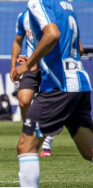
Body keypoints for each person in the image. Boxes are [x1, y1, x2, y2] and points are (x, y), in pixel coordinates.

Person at [11, 0, 93, 188]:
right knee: (89, 151)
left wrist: (29, 63)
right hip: (79, 81)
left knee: (25, 146)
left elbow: (52, 34)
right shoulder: (64, 1)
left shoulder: (37, 2)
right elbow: (75, 46)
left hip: (59, 86)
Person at [11, 10, 85, 158]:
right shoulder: (23, 16)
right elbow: (17, 41)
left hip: (51, 68)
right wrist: (13, 66)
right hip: (31, 65)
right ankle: (31, 133)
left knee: (50, 106)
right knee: (23, 101)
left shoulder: (57, 19)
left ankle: (46, 141)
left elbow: (80, 50)